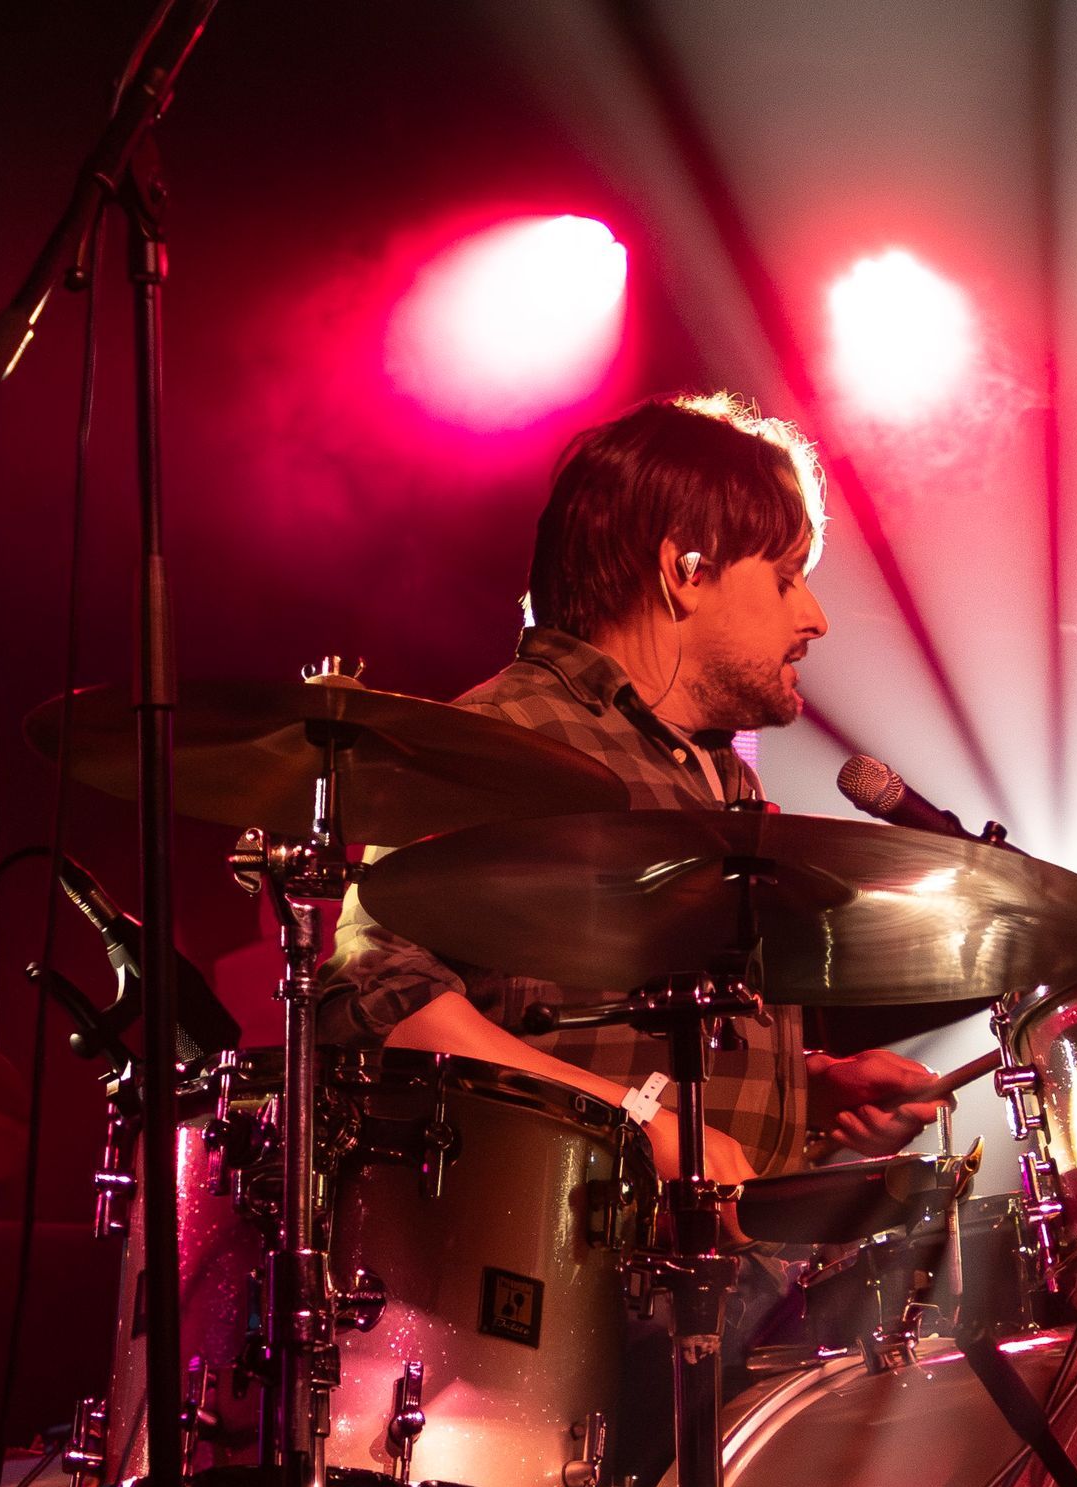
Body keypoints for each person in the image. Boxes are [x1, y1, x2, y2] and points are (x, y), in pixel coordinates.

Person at [319, 392, 943, 1190]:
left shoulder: (721, 773)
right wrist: (632, 1124)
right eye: (787, 578)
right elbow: (378, 1002)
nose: (815, 617)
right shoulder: (503, 738)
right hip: (556, 1279)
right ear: (687, 572)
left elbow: (652, 1044)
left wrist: (814, 1088)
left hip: (734, 1291)